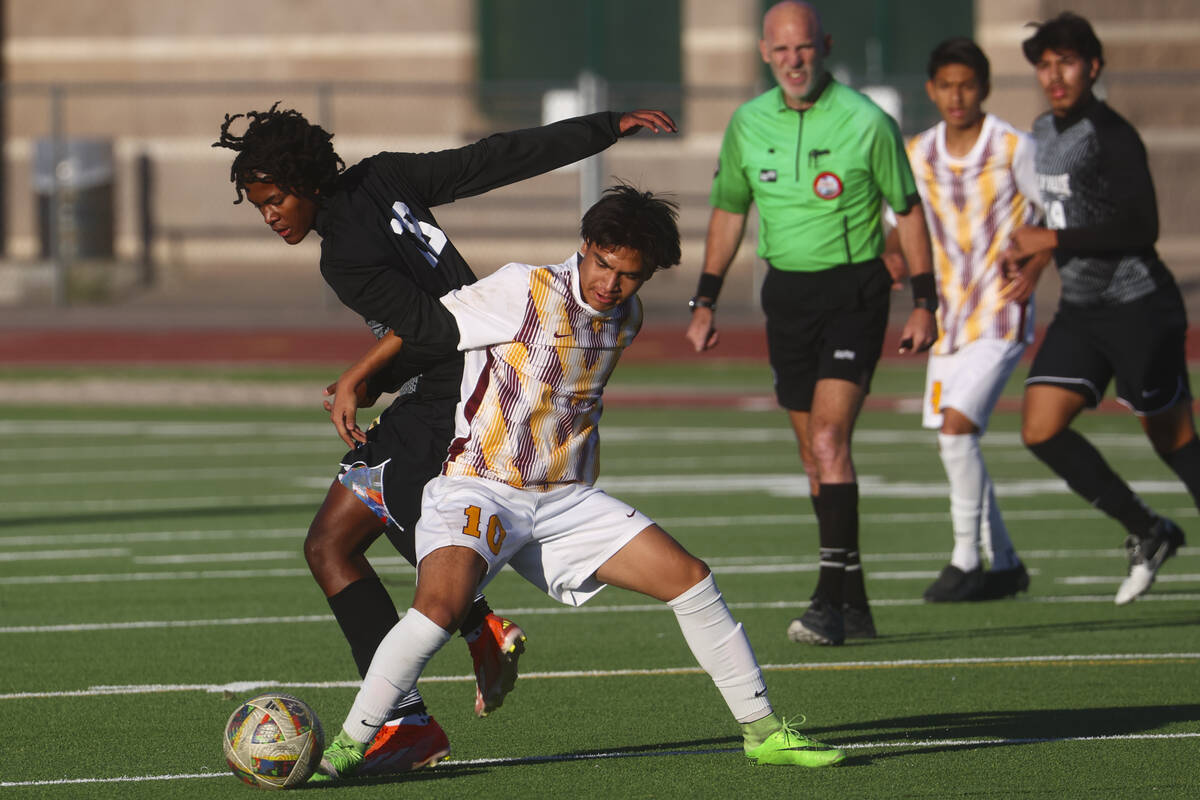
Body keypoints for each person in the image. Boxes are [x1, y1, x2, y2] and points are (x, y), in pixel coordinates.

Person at [311, 184, 846, 781]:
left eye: (630, 275)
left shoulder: (629, 316)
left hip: (565, 499)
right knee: (438, 609)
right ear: (585, 246)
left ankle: (763, 731)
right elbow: (425, 324)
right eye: (604, 264)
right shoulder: (523, 287)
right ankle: (350, 744)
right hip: (479, 486)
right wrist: (358, 377)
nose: (611, 284)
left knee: (691, 580)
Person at [213, 104, 677, 772]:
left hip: (453, 389)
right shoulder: (386, 177)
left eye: (275, 198)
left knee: (344, 531)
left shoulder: (343, 257)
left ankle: (461, 645)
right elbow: (497, 157)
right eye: (258, 206)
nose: (269, 215)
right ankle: (424, 694)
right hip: (466, 373)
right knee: (333, 539)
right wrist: (602, 127)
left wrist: (361, 375)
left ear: (307, 181)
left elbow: (435, 329)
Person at [684, 0, 937, 645]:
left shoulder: (867, 121)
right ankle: (855, 601)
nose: (794, 61)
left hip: (855, 293)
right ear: (765, 54)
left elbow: (907, 211)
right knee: (811, 454)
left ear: (824, 46)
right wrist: (705, 299)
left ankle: (827, 600)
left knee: (829, 442)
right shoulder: (747, 123)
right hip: (787, 298)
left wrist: (926, 301)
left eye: (805, 48)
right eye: (782, 50)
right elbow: (729, 212)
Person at [1003, 12, 1193, 604]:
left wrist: (1050, 244)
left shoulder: (1111, 135)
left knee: (1174, 439)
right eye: (1045, 65)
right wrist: (1034, 263)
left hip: (1139, 307)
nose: (1055, 75)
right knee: (1039, 428)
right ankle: (1148, 530)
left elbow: (1142, 224)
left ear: (1093, 67)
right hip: (1084, 312)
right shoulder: (1042, 130)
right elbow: (1058, 214)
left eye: (1067, 62)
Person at [884, 38, 1049, 602]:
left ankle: (963, 562)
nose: (957, 96)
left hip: (1001, 314)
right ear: (932, 90)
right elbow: (899, 223)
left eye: (968, 84)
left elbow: (1052, 217)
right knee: (955, 441)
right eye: (946, 85)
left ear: (985, 88)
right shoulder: (917, 152)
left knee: (957, 431)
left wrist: (1038, 265)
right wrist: (891, 256)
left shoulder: (1012, 146)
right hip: (945, 320)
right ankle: (1005, 564)